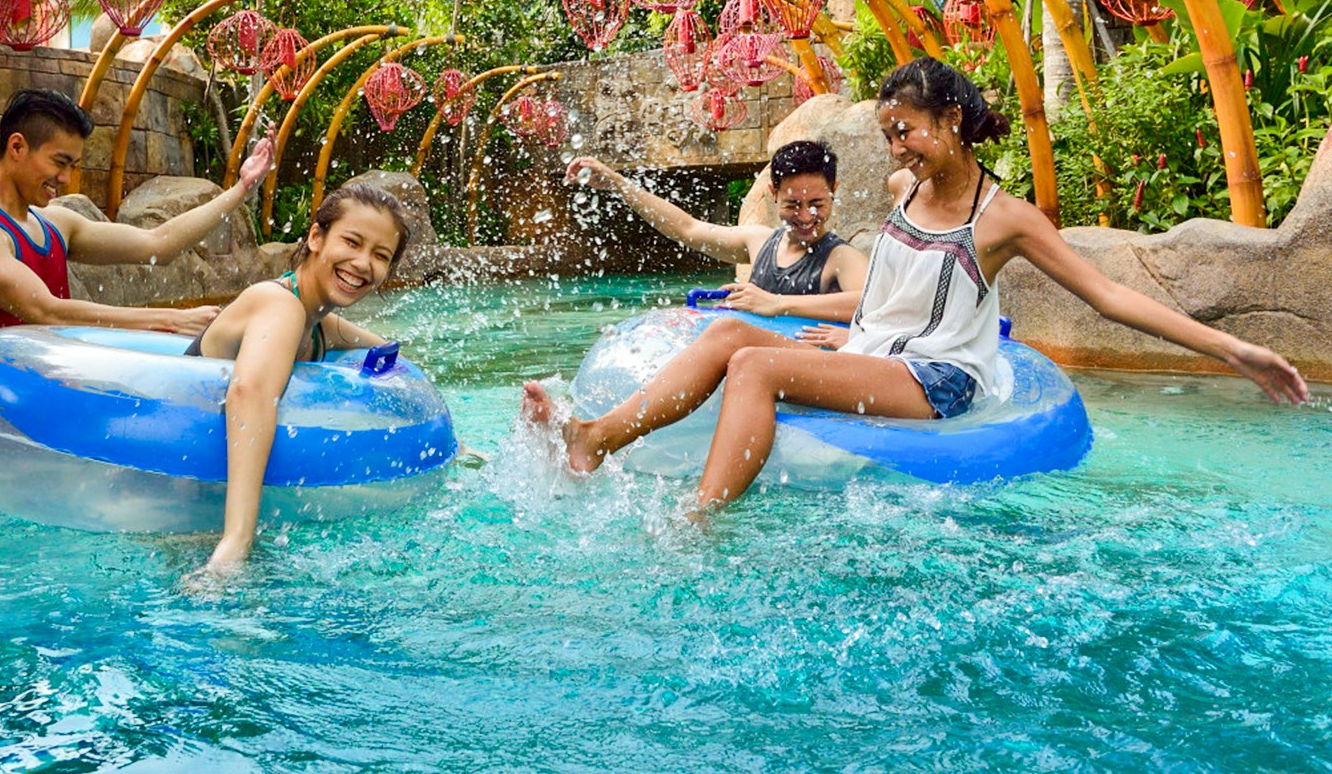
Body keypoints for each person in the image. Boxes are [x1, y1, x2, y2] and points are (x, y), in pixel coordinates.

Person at [525, 58, 1308, 513]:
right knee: (729, 333)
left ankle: (699, 523)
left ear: (953, 121)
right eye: (888, 134)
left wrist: (1233, 350)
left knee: (755, 366)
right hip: (881, 355)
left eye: (906, 131)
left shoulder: (1003, 219)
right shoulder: (906, 189)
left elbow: (1109, 298)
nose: (896, 149)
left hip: (940, 380)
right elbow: (894, 294)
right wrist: (853, 337)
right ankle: (593, 438)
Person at [0, 88, 276, 357]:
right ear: (17, 147)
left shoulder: (55, 223)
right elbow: (45, 310)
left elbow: (159, 245)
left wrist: (242, 189)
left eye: (72, 166)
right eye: (59, 162)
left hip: (49, 389)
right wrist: (170, 320)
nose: (65, 178)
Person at [187, 183, 411, 577]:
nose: (363, 263)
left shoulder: (322, 323)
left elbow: (394, 360)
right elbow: (251, 393)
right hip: (183, 486)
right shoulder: (279, 305)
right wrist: (236, 542)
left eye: (380, 256)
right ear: (316, 238)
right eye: (352, 242)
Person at [566, 139, 867, 322]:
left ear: (834, 191)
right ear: (774, 193)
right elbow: (687, 228)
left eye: (816, 204)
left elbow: (873, 305)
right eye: (792, 204)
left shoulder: (840, 258)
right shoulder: (759, 241)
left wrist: (777, 303)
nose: (804, 216)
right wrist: (618, 185)